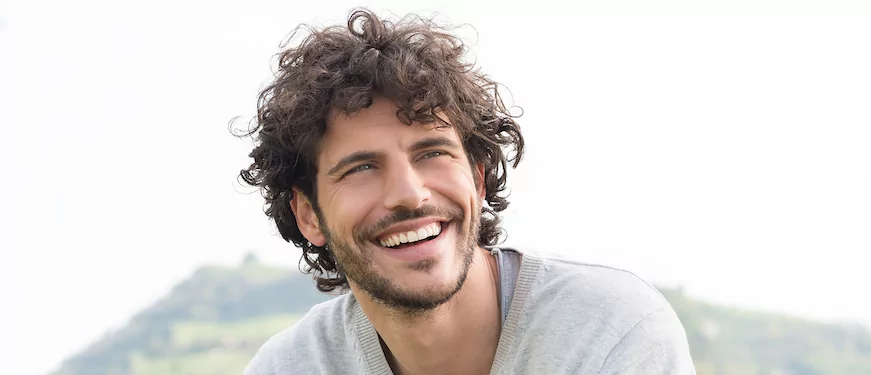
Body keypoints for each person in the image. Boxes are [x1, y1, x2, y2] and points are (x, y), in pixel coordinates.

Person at [235, 8, 696, 375]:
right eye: (362, 167)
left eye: (432, 153)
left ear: (477, 177)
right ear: (308, 215)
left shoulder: (610, 330)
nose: (409, 195)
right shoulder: (288, 367)